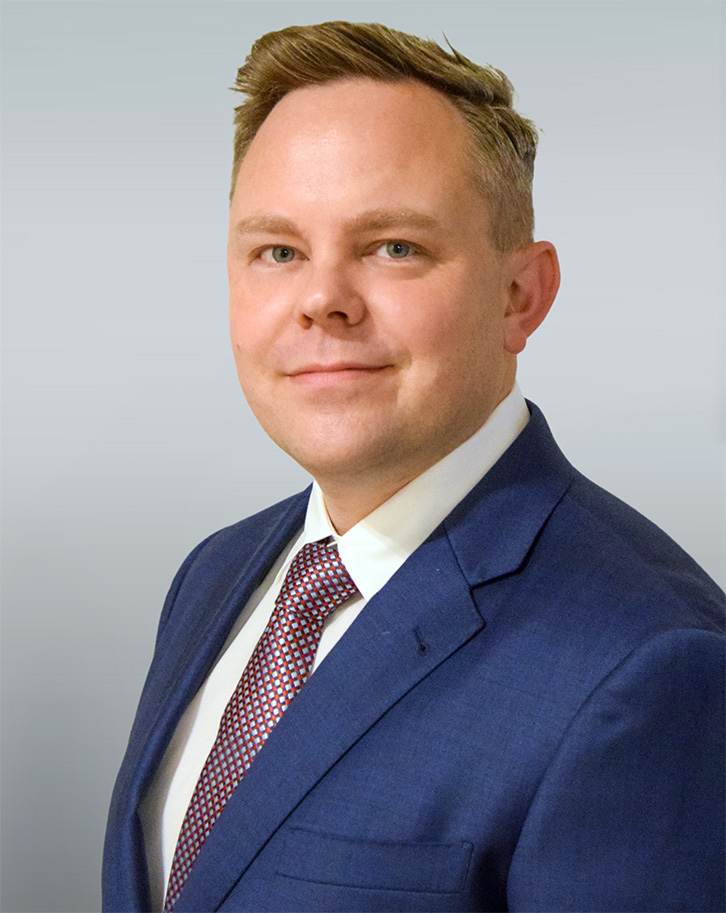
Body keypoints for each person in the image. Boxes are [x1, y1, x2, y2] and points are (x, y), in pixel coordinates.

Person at [103, 21, 725, 913]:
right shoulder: (214, 574)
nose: (322, 300)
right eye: (279, 251)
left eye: (394, 246)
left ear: (521, 296)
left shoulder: (650, 666)